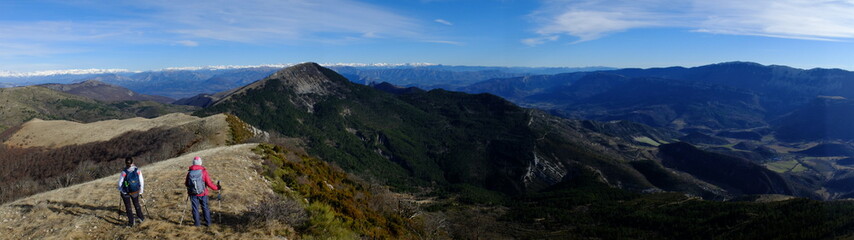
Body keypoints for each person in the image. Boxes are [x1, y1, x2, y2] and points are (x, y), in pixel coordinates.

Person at [185, 156, 221, 227]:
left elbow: (186, 183)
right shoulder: (203, 172)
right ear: (200, 163)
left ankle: (197, 224)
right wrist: (217, 188)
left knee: (195, 209)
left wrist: (190, 190)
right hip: (203, 193)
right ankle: (208, 223)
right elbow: (209, 183)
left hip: (193, 194)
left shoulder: (189, 173)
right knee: (205, 208)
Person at [117, 157, 145, 227]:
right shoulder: (137, 170)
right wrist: (141, 190)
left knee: (128, 207)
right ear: (133, 162)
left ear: (126, 163)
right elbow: (141, 180)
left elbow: (120, 183)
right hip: (135, 191)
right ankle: (141, 218)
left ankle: (132, 222)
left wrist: (121, 190)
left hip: (126, 192)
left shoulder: (124, 172)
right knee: (136, 204)